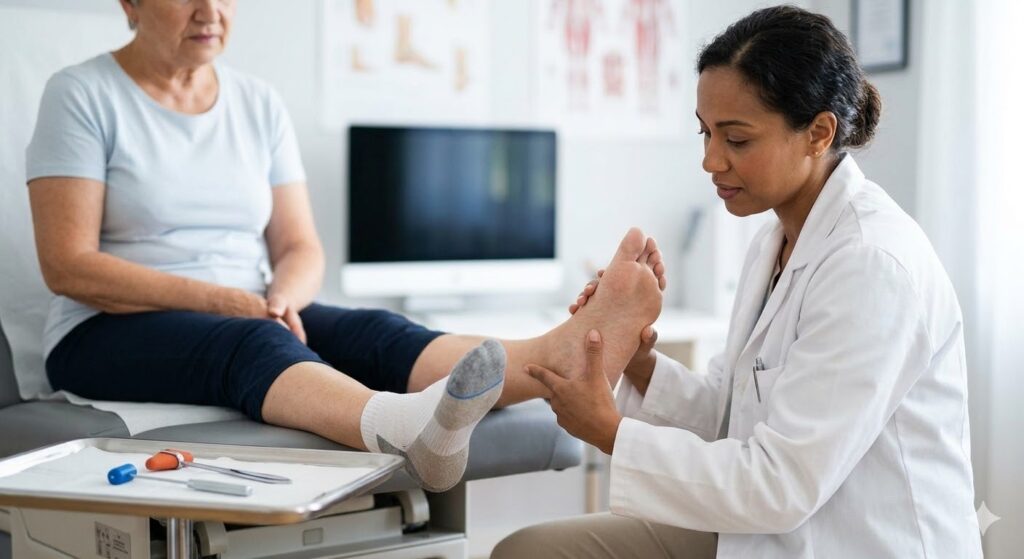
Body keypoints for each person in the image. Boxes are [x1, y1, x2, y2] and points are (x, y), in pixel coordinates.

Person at [25, 0, 666, 493]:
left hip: (246, 306)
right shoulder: (82, 93)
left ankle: (563, 354)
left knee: (374, 332)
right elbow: (68, 264)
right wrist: (232, 303)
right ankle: (403, 428)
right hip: (105, 328)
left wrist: (280, 296)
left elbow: (301, 245)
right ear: (129, 4)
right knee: (252, 342)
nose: (210, 12)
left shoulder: (256, 102)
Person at [495, 6, 982, 558]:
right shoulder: (775, 239)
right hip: (773, 528)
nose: (709, 160)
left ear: (818, 134)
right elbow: (733, 415)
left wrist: (610, 432)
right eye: (705, 133)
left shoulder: (872, 265)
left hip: (853, 540)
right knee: (530, 550)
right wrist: (638, 361)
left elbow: (780, 484)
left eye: (737, 140)